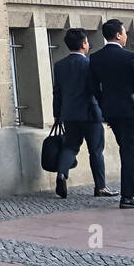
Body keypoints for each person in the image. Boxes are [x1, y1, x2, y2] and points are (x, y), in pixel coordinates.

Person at [87, 18, 134, 208]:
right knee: (129, 153)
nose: (126, 36)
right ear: (118, 35)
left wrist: (104, 104)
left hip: (110, 111)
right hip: (130, 111)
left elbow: (93, 87)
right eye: (124, 33)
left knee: (125, 149)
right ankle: (128, 196)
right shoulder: (129, 57)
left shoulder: (96, 58)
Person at [51, 28, 113, 199]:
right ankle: (100, 187)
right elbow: (98, 90)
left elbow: (57, 92)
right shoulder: (90, 64)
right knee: (96, 150)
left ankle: (62, 174)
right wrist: (106, 111)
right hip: (91, 113)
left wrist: (57, 113)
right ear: (84, 44)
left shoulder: (59, 65)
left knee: (70, 146)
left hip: (69, 114)